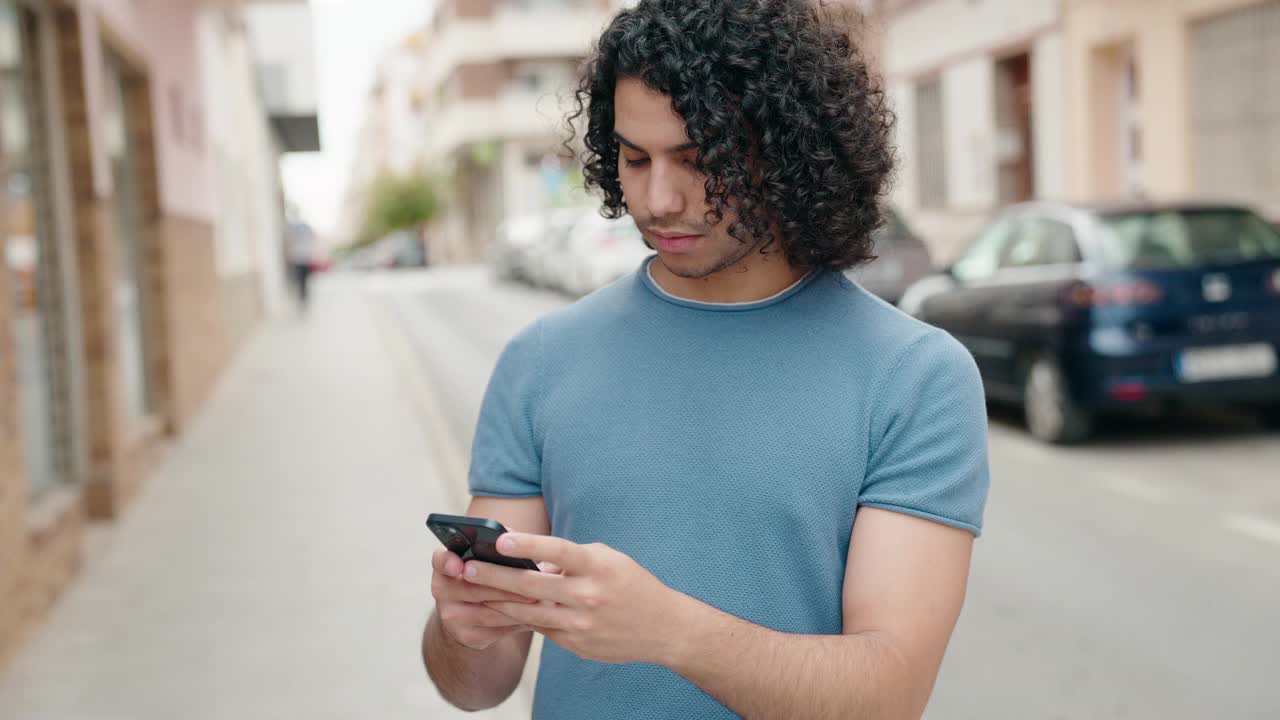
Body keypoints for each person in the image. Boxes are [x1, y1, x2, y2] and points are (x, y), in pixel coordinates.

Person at [422, 1, 990, 718]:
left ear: (789, 150)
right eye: (635, 159)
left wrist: (668, 631)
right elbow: (476, 687)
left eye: (699, 160)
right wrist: (463, 630)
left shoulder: (914, 376)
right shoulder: (541, 360)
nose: (658, 199)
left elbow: (888, 694)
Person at [284, 220, 316, 308]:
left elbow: (289, 243)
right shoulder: (304, 230)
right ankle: (302, 296)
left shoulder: (293, 230)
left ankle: (302, 296)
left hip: (300, 259)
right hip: (302, 259)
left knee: (301, 280)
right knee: (302, 280)